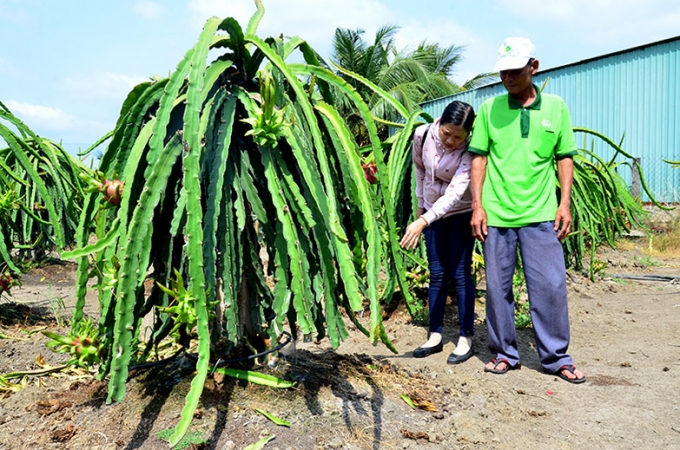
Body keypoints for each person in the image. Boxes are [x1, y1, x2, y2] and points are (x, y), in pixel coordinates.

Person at [468, 37, 586, 383]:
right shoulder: (490, 109)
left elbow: (564, 156)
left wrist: (563, 203)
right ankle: (505, 353)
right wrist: (477, 206)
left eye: (515, 70)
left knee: (550, 287)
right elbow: (479, 157)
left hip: (540, 214)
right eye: (503, 71)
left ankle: (556, 358)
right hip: (497, 214)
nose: (508, 77)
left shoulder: (556, 107)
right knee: (496, 289)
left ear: (533, 67)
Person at [400, 100, 477, 365]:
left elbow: (457, 191)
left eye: (459, 137)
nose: (452, 141)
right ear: (439, 123)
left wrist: (423, 220)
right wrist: (421, 209)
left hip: (460, 213)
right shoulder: (421, 135)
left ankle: (466, 337)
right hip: (431, 212)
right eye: (447, 133)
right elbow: (420, 171)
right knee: (437, 272)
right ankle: (435, 335)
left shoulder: (471, 148)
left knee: (459, 273)